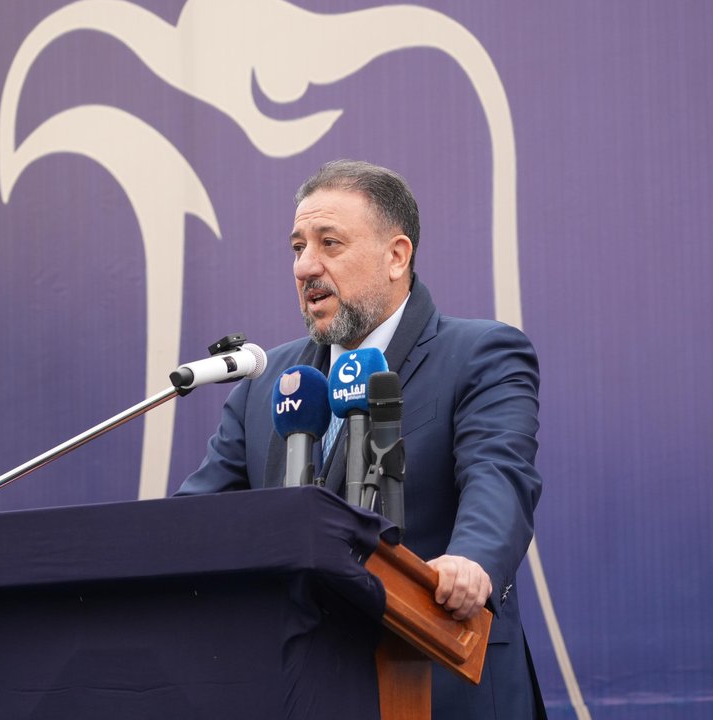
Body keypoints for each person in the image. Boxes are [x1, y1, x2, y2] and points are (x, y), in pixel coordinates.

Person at [175, 160, 545, 718]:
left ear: (397, 256)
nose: (306, 266)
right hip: (299, 690)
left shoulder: (479, 355)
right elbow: (196, 520)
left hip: (438, 682)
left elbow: (499, 476)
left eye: (329, 243)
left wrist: (472, 561)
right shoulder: (266, 383)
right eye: (297, 247)